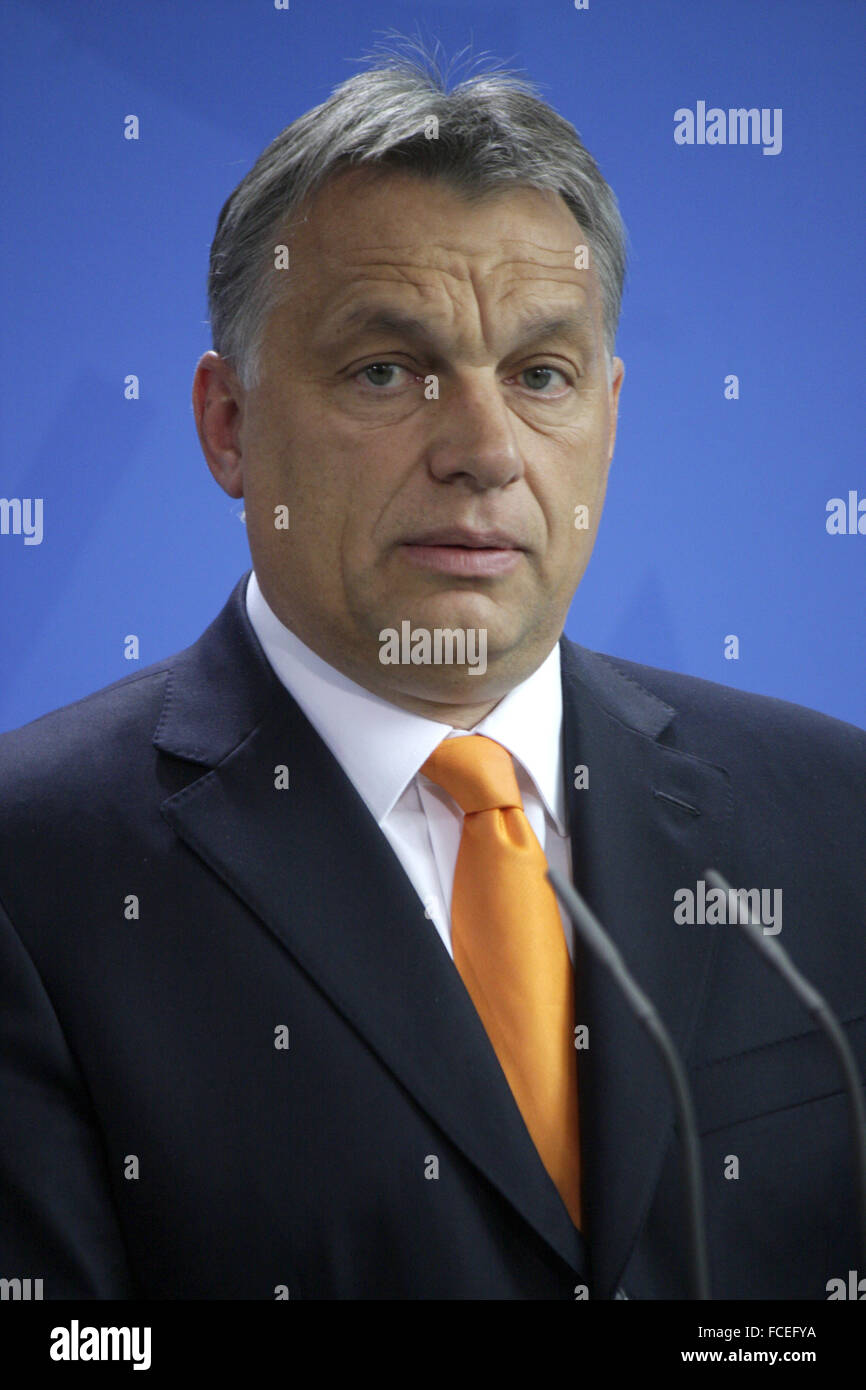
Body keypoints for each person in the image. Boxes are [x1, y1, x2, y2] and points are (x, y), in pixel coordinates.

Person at [1, 46, 864, 1302]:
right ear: (227, 425)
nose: (482, 450)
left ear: (609, 416)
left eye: (540, 376)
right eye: (386, 372)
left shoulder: (833, 814)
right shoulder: (32, 870)